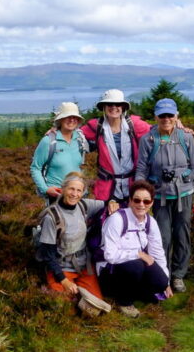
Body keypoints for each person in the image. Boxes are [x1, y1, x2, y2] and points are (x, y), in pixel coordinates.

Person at [135, 98, 194, 293]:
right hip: (159, 197)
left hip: (184, 194)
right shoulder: (148, 140)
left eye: (170, 115)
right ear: (156, 117)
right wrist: (140, 196)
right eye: (162, 115)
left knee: (182, 236)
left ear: (176, 116)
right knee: (162, 238)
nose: (166, 119)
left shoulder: (186, 137)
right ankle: (163, 275)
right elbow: (141, 168)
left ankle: (179, 275)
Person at [36, 172, 119, 316]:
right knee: (61, 307)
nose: (75, 194)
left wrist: (112, 202)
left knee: (95, 308)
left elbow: (108, 201)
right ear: (62, 189)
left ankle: (80, 291)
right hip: (61, 267)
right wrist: (64, 281)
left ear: (83, 193)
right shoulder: (52, 217)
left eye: (79, 190)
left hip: (83, 265)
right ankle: (72, 291)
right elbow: (48, 255)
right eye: (71, 189)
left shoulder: (83, 205)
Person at [98, 180, 172, 318]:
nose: (141, 205)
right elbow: (110, 255)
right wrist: (139, 254)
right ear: (130, 201)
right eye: (137, 200)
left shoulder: (151, 222)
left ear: (151, 203)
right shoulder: (117, 219)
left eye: (146, 201)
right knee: (136, 266)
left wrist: (166, 282)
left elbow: (158, 253)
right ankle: (124, 302)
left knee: (160, 283)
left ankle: (134, 291)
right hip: (109, 271)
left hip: (135, 267)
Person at [81, 89, 151, 205]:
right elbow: (73, 133)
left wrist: (178, 125)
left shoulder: (134, 124)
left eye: (118, 104)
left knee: (132, 220)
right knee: (108, 220)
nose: (114, 107)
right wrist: (55, 130)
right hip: (107, 187)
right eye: (110, 104)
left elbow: (157, 130)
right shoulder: (96, 126)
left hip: (132, 184)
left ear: (123, 107)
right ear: (104, 107)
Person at [30, 102, 89, 205]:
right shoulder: (48, 141)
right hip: (57, 197)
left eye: (75, 117)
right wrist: (45, 189)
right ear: (60, 120)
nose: (71, 120)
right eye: (67, 117)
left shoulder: (80, 139)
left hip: (77, 196)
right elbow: (35, 167)